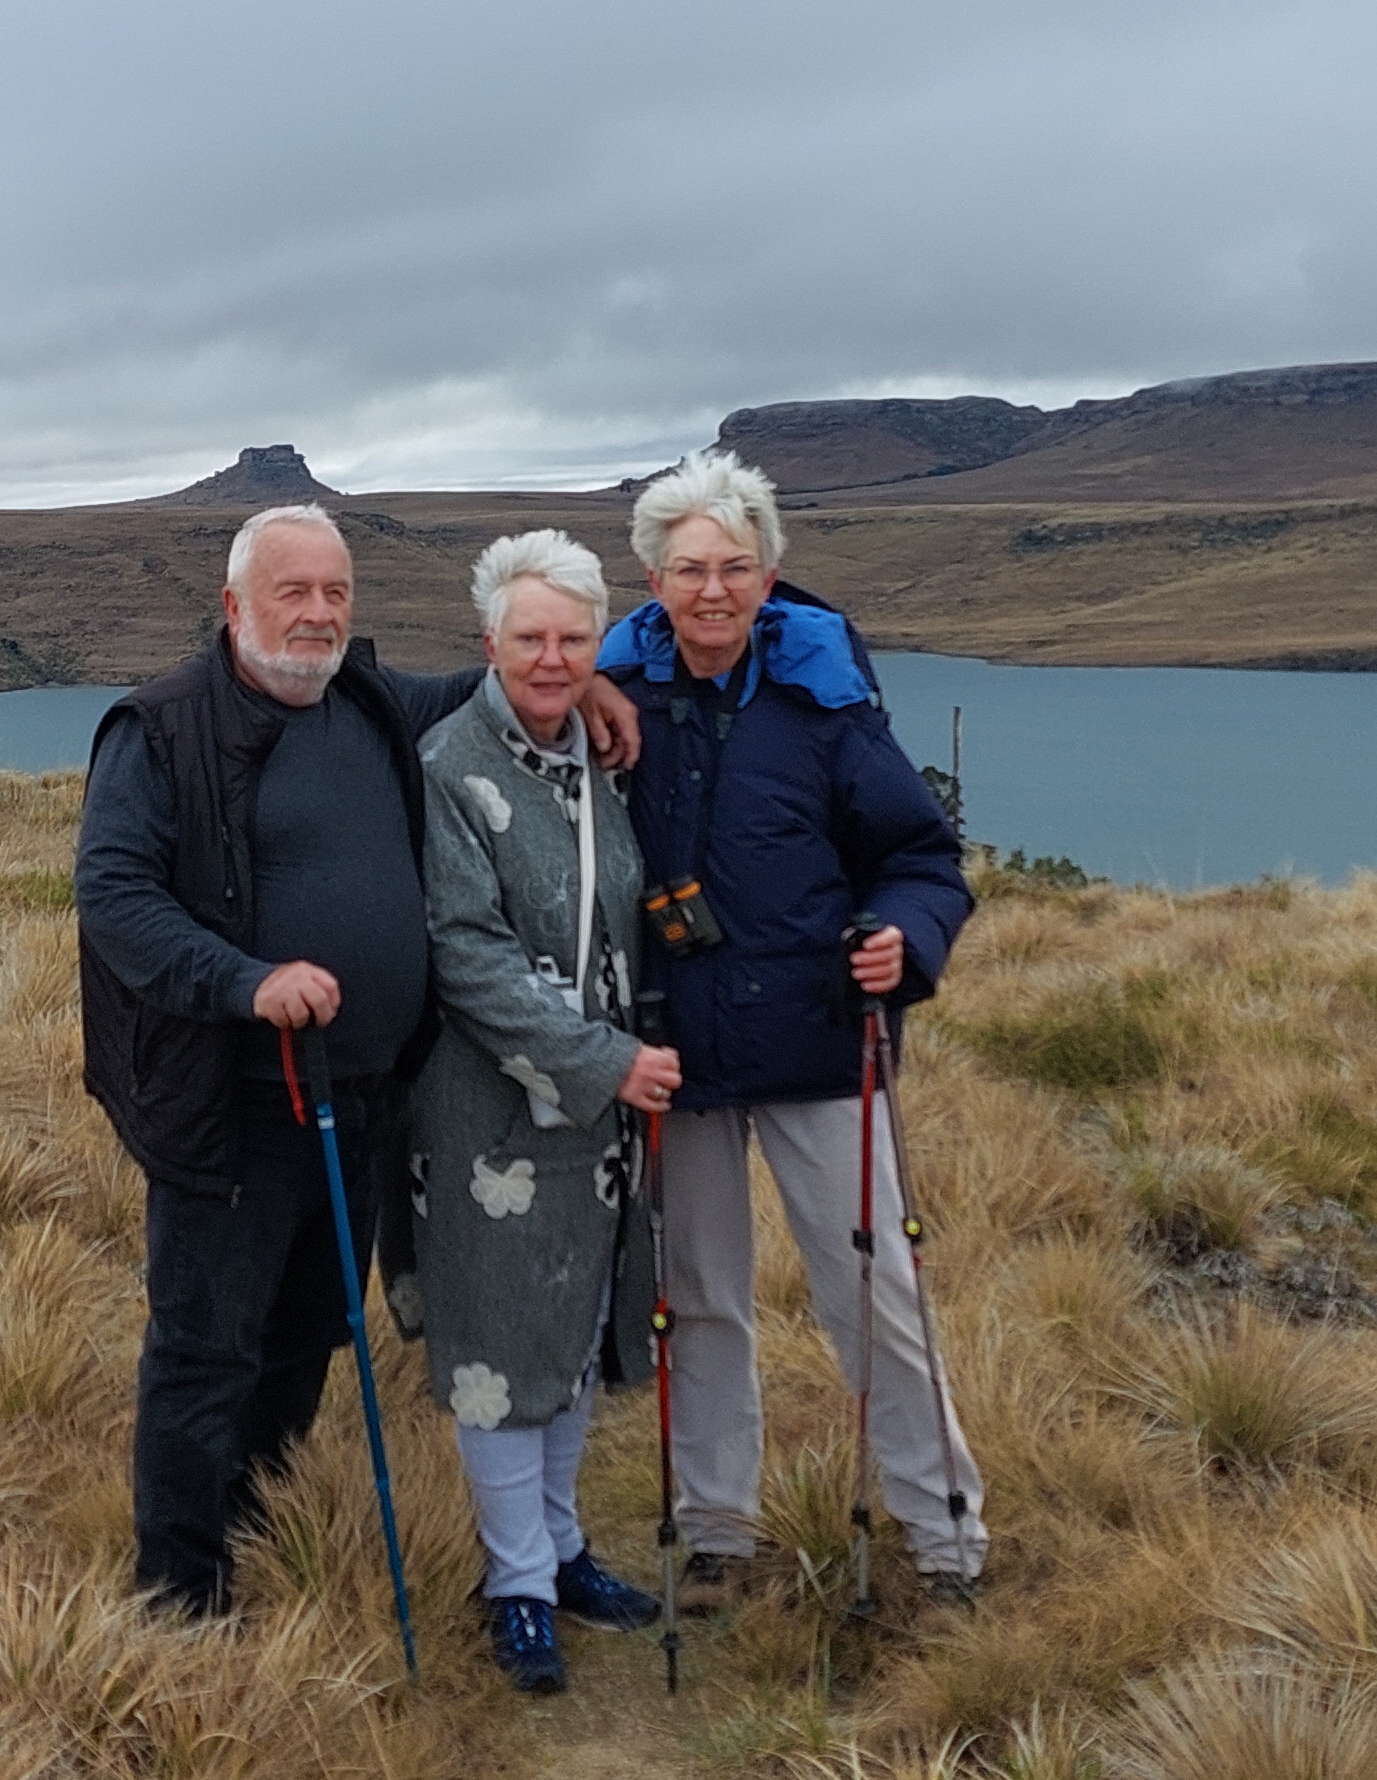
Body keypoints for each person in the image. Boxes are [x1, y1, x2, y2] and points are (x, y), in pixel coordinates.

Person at [74, 503, 640, 1618]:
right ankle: (178, 1595)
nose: (319, 613)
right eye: (294, 592)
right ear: (235, 604)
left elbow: (499, 687)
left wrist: (595, 683)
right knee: (205, 1349)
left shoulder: (369, 698)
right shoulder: (160, 729)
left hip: (366, 1099)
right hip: (232, 1107)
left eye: (335, 592)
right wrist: (246, 980)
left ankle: (255, 1524)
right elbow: (114, 897)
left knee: (306, 1334)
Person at [595, 451, 986, 1609]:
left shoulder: (828, 702)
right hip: (681, 1051)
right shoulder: (614, 696)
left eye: (734, 567)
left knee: (874, 1296)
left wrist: (902, 941)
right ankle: (717, 1529)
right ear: (651, 579)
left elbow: (921, 860)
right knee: (701, 1297)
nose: (712, 590)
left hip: (823, 1041)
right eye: (687, 569)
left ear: (769, 574)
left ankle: (945, 1534)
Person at [378, 530, 680, 1692]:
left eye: (572, 638)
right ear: (486, 643)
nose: (551, 659)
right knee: (498, 1347)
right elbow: (467, 954)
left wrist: (621, 1062)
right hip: (484, 1117)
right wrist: (607, 1060)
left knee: (568, 1327)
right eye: (528, 638)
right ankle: (513, 1586)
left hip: (596, 1114)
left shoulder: (596, 760)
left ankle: (557, 1553)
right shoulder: (449, 765)